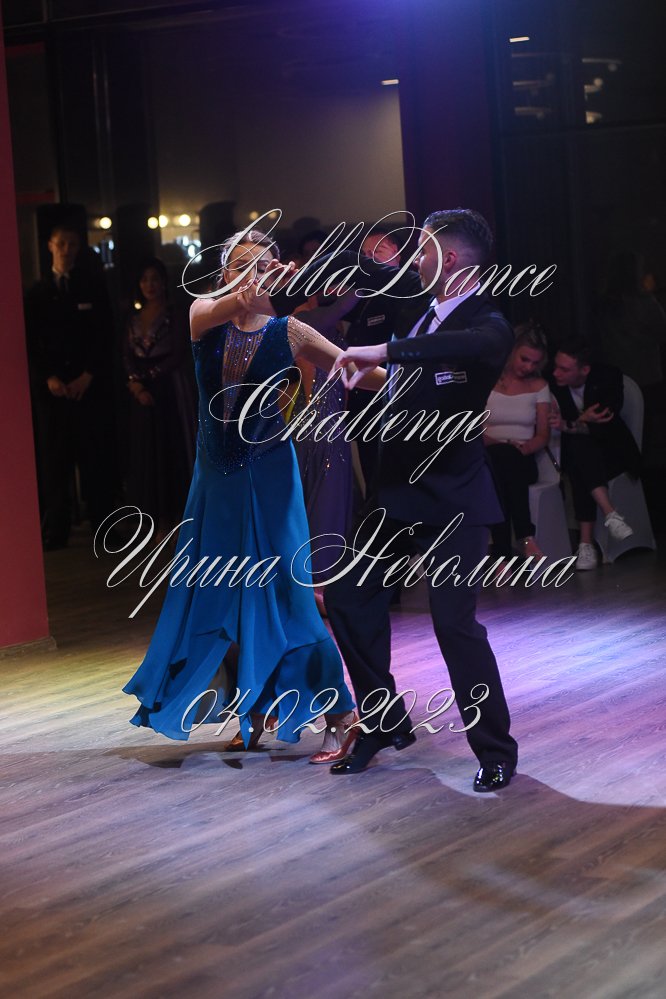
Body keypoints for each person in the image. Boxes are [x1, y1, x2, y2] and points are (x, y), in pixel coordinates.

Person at [123, 230, 384, 762]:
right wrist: (251, 285)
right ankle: (256, 710)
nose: (251, 274)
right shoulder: (202, 315)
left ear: (276, 272)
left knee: (289, 596)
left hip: (270, 480)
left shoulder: (291, 331)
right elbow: (231, 304)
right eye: (240, 265)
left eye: (261, 265)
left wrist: (419, 373)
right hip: (214, 484)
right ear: (224, 273)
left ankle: (343, 716)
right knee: (220, 597)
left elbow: (359, 371)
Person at [323, 208, 519, 792]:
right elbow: (417, 381)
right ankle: (383, 722)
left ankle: (496, 750)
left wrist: (383, 352)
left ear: (449, 258)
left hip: (454, 499)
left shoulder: (487, 323)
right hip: (396, 495)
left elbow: (458, 352)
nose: (414, 260)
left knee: (453, 625)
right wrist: (363, 370)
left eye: (423, 249)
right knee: (348, 599)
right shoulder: (420, 318)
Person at [25, 224, 116, 549]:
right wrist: (47, 377)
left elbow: (104, 335)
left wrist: (88, 375)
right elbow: (30, 342)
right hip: (53, 393)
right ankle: (57, 528)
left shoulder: (92, 287)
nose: (66, 249)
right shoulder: (36, 293)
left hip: (88, 389)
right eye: (61, 243)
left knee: (95, 458)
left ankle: (103, 525)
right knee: (55, 461)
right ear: (50, 246)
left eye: (72, 244)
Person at [549, 338, 640, 571]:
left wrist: (573, 423)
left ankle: (586, 544)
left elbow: (604, 422)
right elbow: (561, 426)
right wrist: (582, 420)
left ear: (584, 370)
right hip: (579, 456)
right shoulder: (552, 384)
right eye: (556, 366)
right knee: (581, 452)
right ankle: (610, 514)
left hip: (612, 452)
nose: (556, 373)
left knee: (581, 456)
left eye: (564, 369)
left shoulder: (607, 377)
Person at [123, 258, 196, 538]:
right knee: (147, 450)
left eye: (154, 279)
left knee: (172, 447)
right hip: (141, 391)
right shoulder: (133, 317)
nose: (149, 285)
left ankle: (177, 516)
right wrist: (136, 383)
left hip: (169, 388)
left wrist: (148, 378)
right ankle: (153, 516)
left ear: (164, 282)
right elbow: (126, 355)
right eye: (144, 280)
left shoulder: (174, 314)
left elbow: (179, 352)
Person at [483, 323, 551, 561]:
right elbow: (475, 430)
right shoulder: (488, 380)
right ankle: (526, 536)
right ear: (512, 351)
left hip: (522, 459)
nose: (529, 367)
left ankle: (501, 557)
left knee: (505, 468)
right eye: (524, 359)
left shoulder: (539, 387)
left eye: (535, 363)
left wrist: (525, 447)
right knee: (501, 461)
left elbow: (543, 435)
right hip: (489, 455)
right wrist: (502, 445)